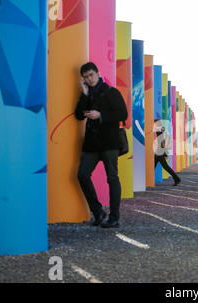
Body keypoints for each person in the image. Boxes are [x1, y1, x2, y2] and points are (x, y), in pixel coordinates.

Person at [75, 62, 128, 228]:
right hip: (91, 144)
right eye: (86, 77)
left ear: (98, 73)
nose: (89, 79)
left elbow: (123, 113)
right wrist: (84, 95)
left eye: (91, 75)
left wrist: (100, 115)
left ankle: (114, 217)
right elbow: (78, 115)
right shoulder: (88, 95)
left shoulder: (112, 92)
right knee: (82, 175)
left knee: (112, 178)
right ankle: (98, 212)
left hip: (109, 142)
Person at [153, 119, 181, 186]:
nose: (153, 124)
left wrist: (160, 151)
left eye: (154, 123)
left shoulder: (159, 130)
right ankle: (177, 179)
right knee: (154, 166)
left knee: (165, 167)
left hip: (159, 151)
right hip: (160, 151)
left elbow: (162, 142)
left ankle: (177, 179)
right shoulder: (161, 129)